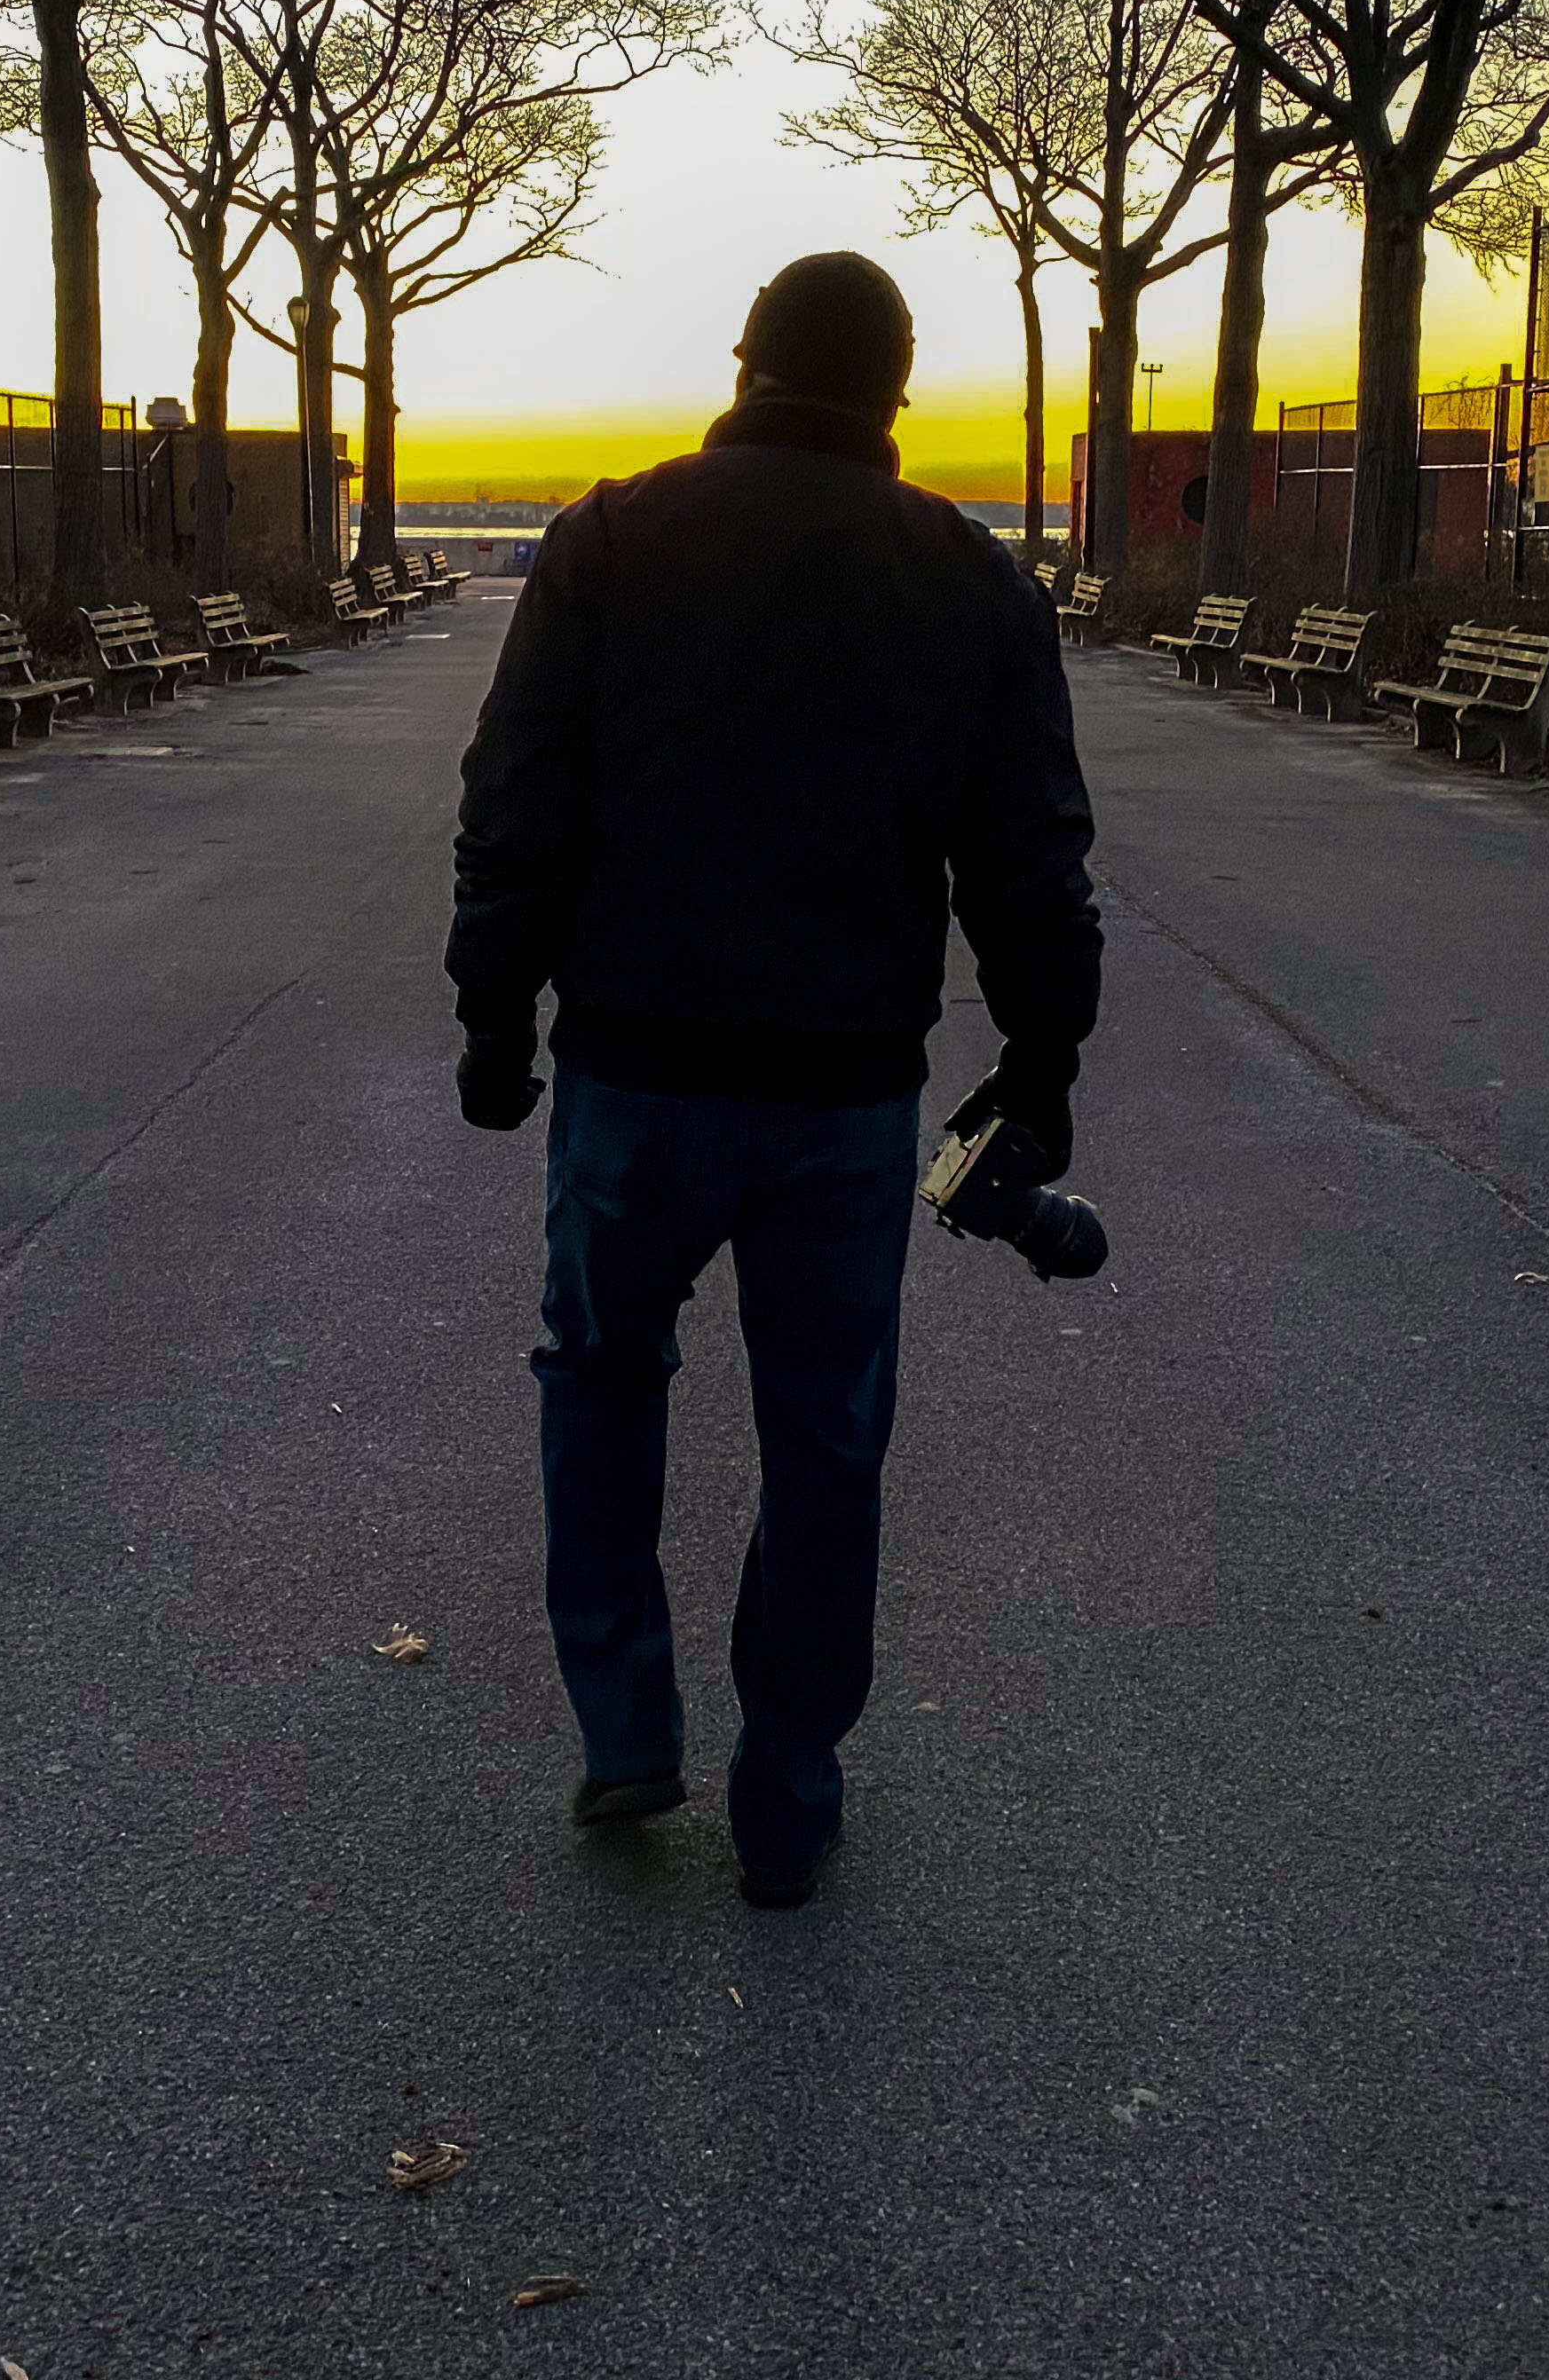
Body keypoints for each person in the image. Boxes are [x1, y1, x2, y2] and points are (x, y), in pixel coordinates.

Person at [446, 249, 1102, 1910]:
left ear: (743, 360)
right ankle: (790, 1797)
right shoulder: (970, 580)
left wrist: (493, 1015)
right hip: (844, 1096)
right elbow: (1028, 855)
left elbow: (519, 798)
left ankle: (623, 1720)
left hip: (636, 1075)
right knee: (825, 1444)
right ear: (894, 392)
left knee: (600, 1383)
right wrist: (1038, 1058)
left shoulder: (606, 540)